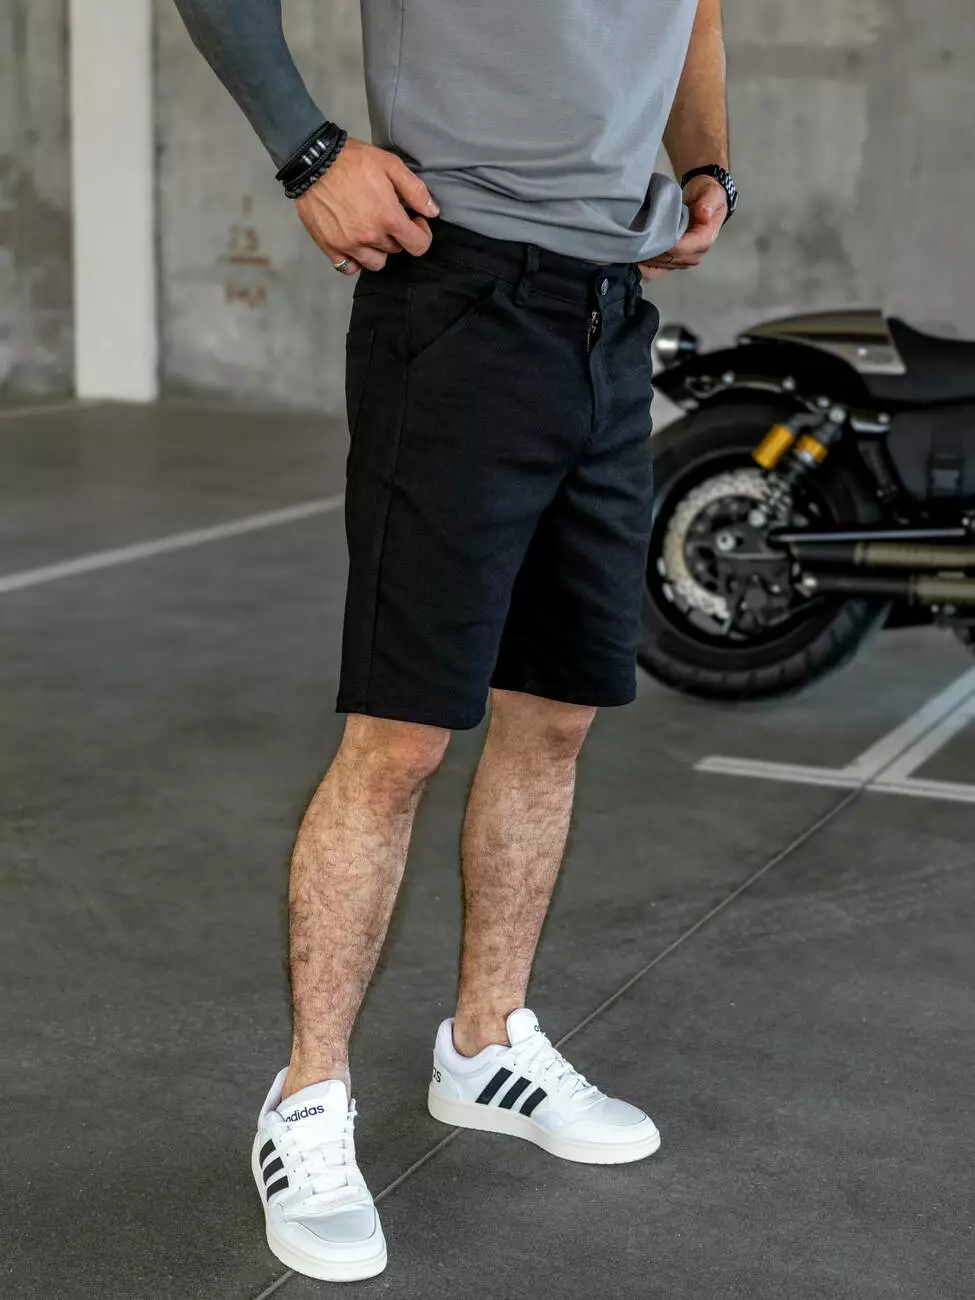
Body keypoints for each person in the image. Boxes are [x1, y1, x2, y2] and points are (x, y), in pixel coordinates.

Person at [173, 0, 736, 1282]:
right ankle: (306, 1099)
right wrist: (309, 152)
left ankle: (485, 1045)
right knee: (403, 738)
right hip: (461, 298)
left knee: (555, 717)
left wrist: (706, 163)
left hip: (611, 318)